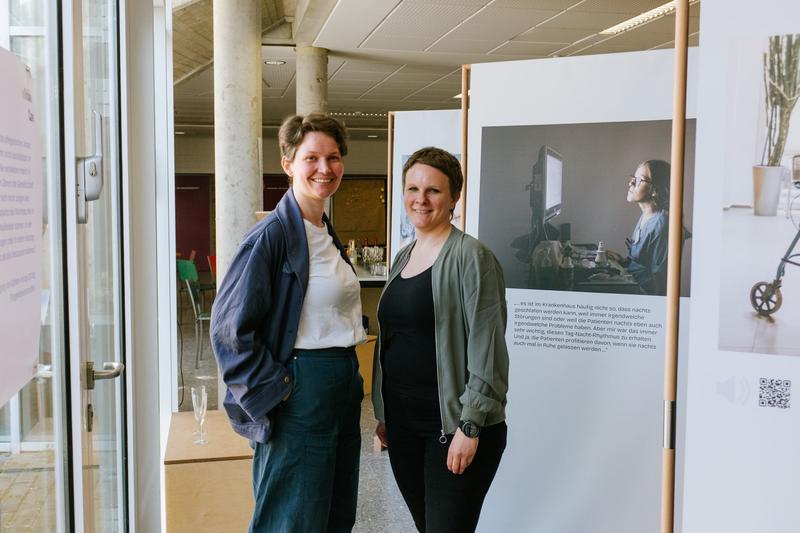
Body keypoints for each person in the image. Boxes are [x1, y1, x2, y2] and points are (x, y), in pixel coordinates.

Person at [210, 113, 366, 532]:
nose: (325, 168)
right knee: (291, 520)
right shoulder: (270, 236)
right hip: (301, 387)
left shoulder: (323, 231)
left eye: (333, 158)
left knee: (335, 514)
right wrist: (275, 393)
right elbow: (228, 331)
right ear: (288, 163)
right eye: (311, 157)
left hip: (342, 384)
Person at [373, 146, 509, 533]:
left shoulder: (472, 257)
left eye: (433, 190)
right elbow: (393, 339)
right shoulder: (404, 256)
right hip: (403, 426)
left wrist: (471, 427)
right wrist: (384, 412)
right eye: (412, 188)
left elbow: (488, 349)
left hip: (454, 428)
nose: (420, 199)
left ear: (454, 197)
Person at [615, 159, 672, 296]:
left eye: (640, 180)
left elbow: (661, 281)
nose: (631, 183)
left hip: (643, 295)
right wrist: (621, 261)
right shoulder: (646, 216)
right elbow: (642, 262)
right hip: (631, 282)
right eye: (633, 178)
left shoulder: (661, 225)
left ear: (655, 190)